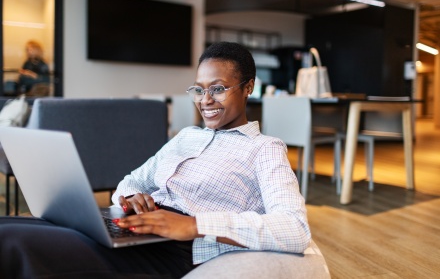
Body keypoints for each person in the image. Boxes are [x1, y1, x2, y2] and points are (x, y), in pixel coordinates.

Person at [0, 42, 310, 278]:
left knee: (12, 241)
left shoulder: (265, 148)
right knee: (9, 225)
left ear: (248, 88)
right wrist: (131, 198)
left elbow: (294, 229)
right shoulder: (188, 135)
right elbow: (131, 180)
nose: (205, 100)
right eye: (199, 90)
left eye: (218, 89)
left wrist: (192, 225)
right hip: (136, 229)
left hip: (172, 250)